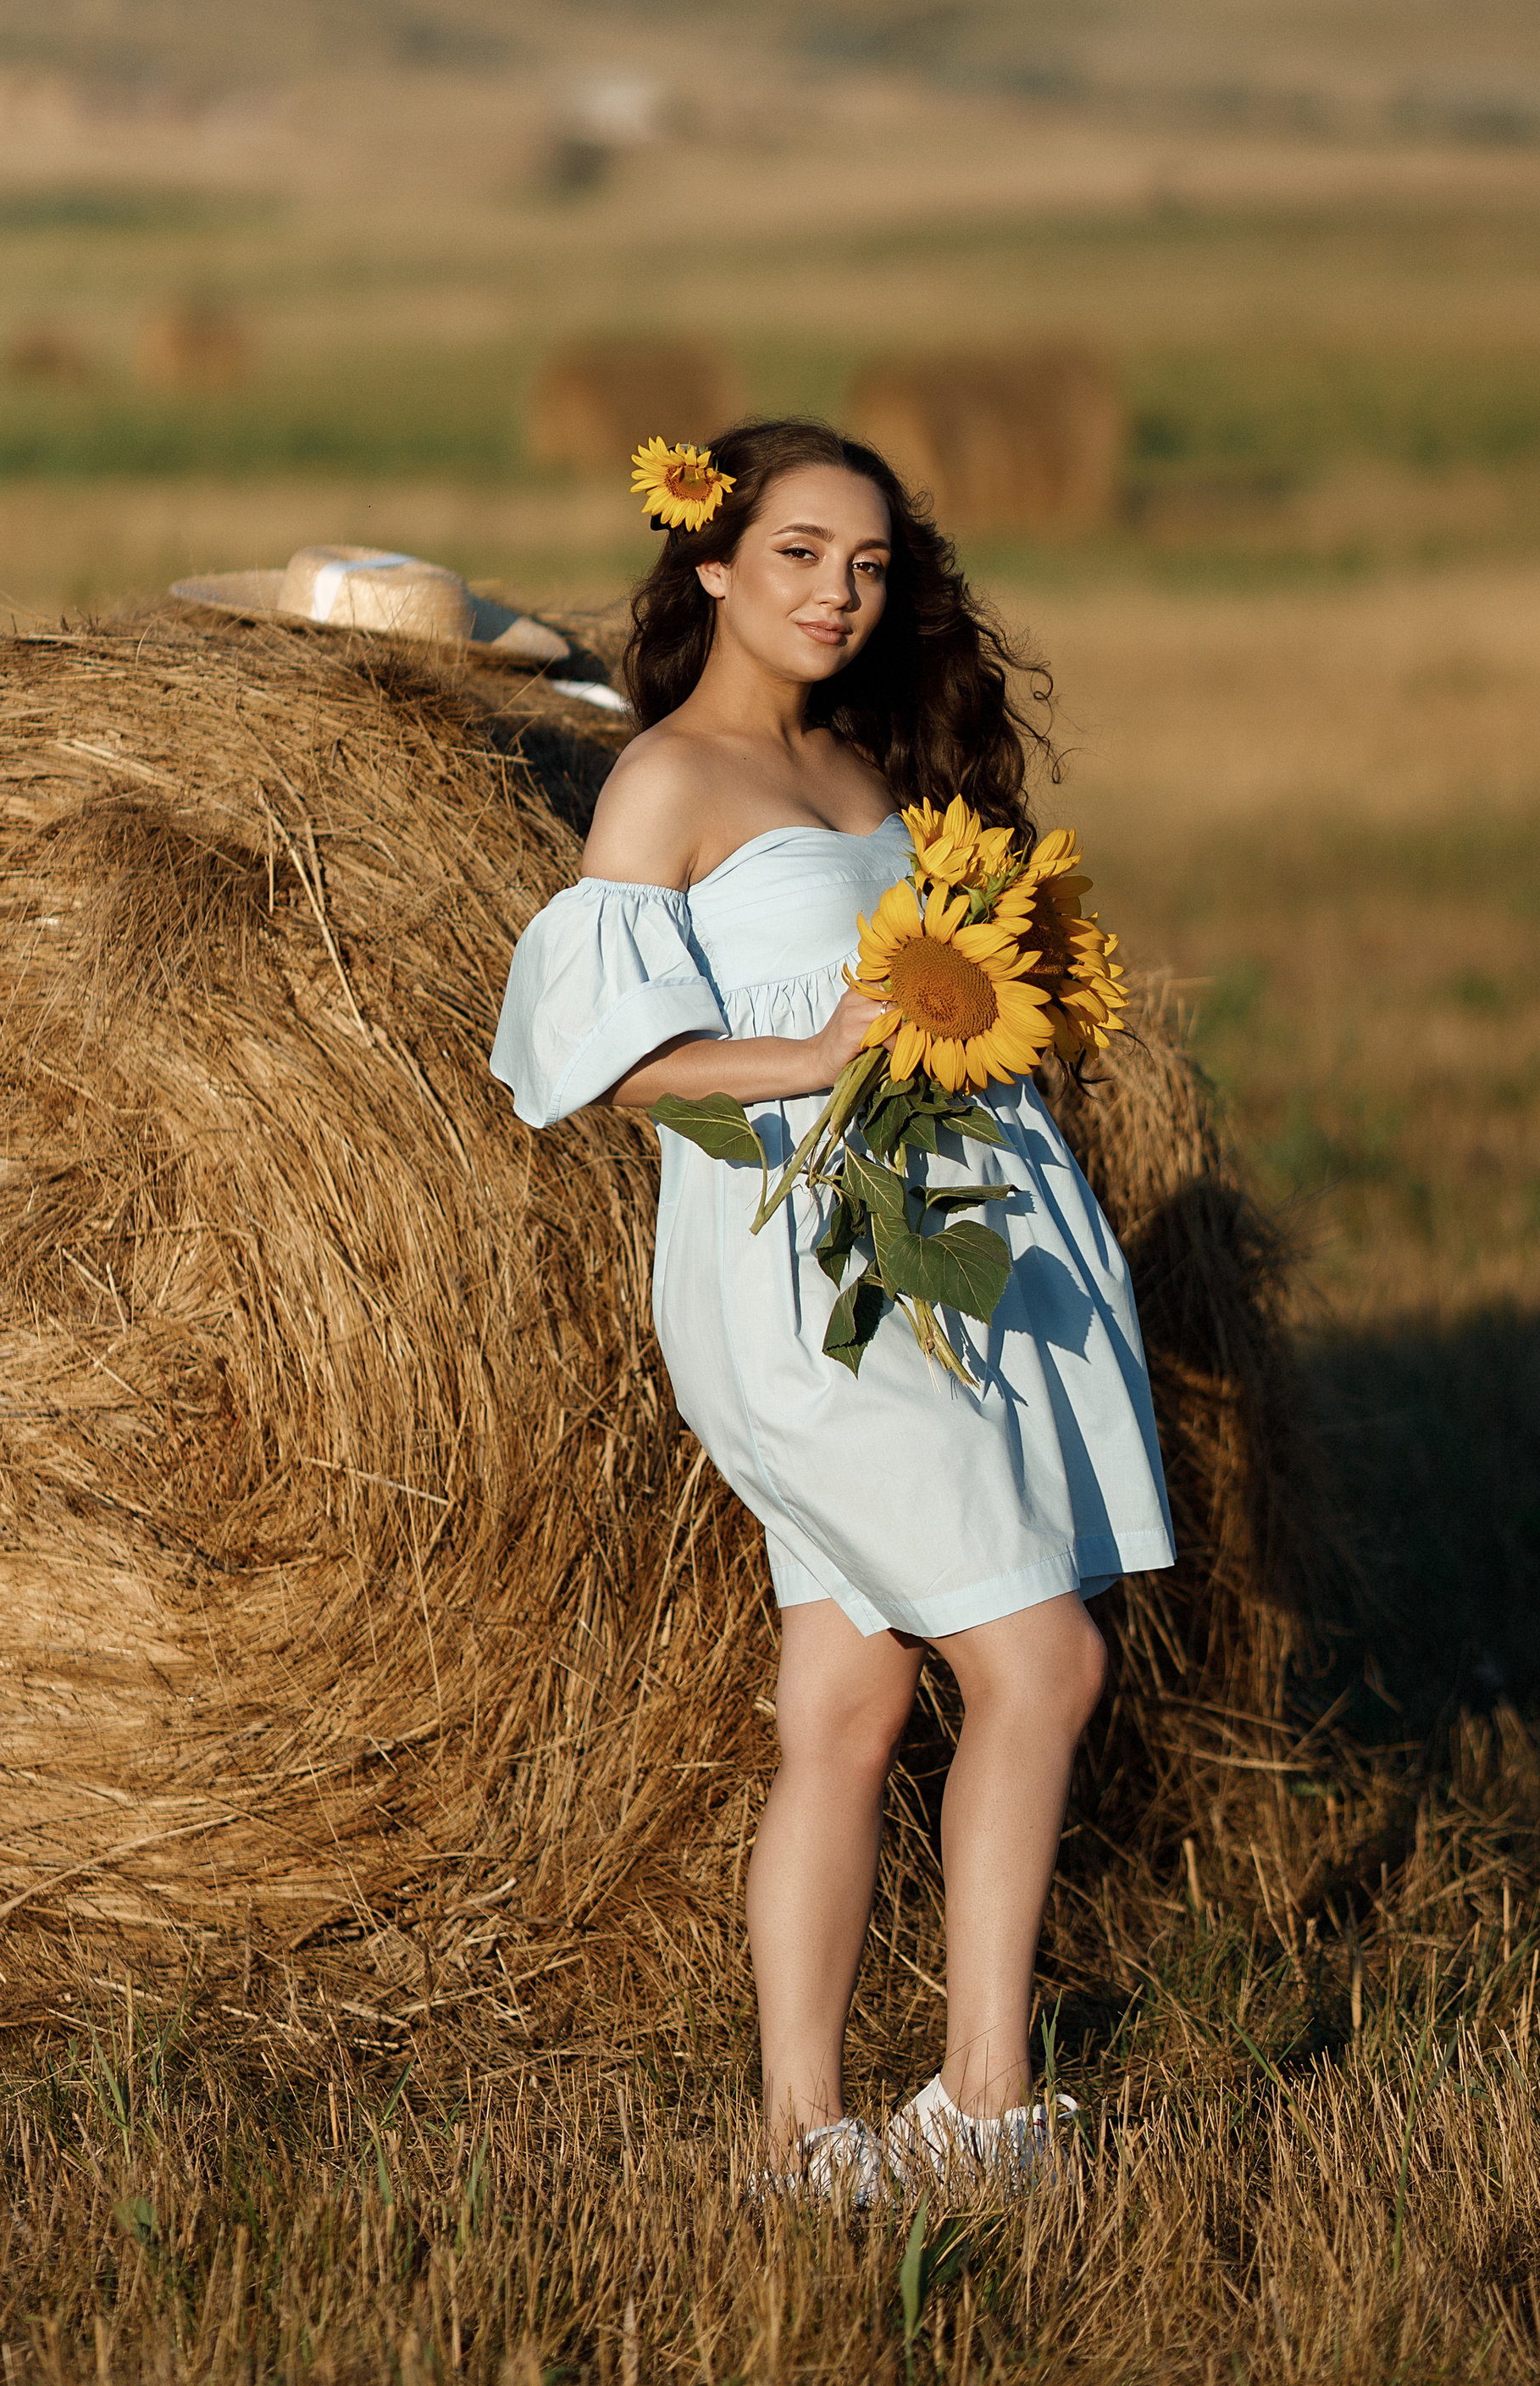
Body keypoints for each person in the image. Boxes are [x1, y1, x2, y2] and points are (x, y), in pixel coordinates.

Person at [490, 418, 1174, 2197]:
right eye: (796, 553)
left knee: (849, 1710)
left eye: (867, 566)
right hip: (800, 1276)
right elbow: (603, 1062)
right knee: (1043, 1658)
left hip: (949, 1249)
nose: (834, 594)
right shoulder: (664, 785)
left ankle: (803, 2136)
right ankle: (986, 2106)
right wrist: (810, 1053)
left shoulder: (875, 778)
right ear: (710, 562)